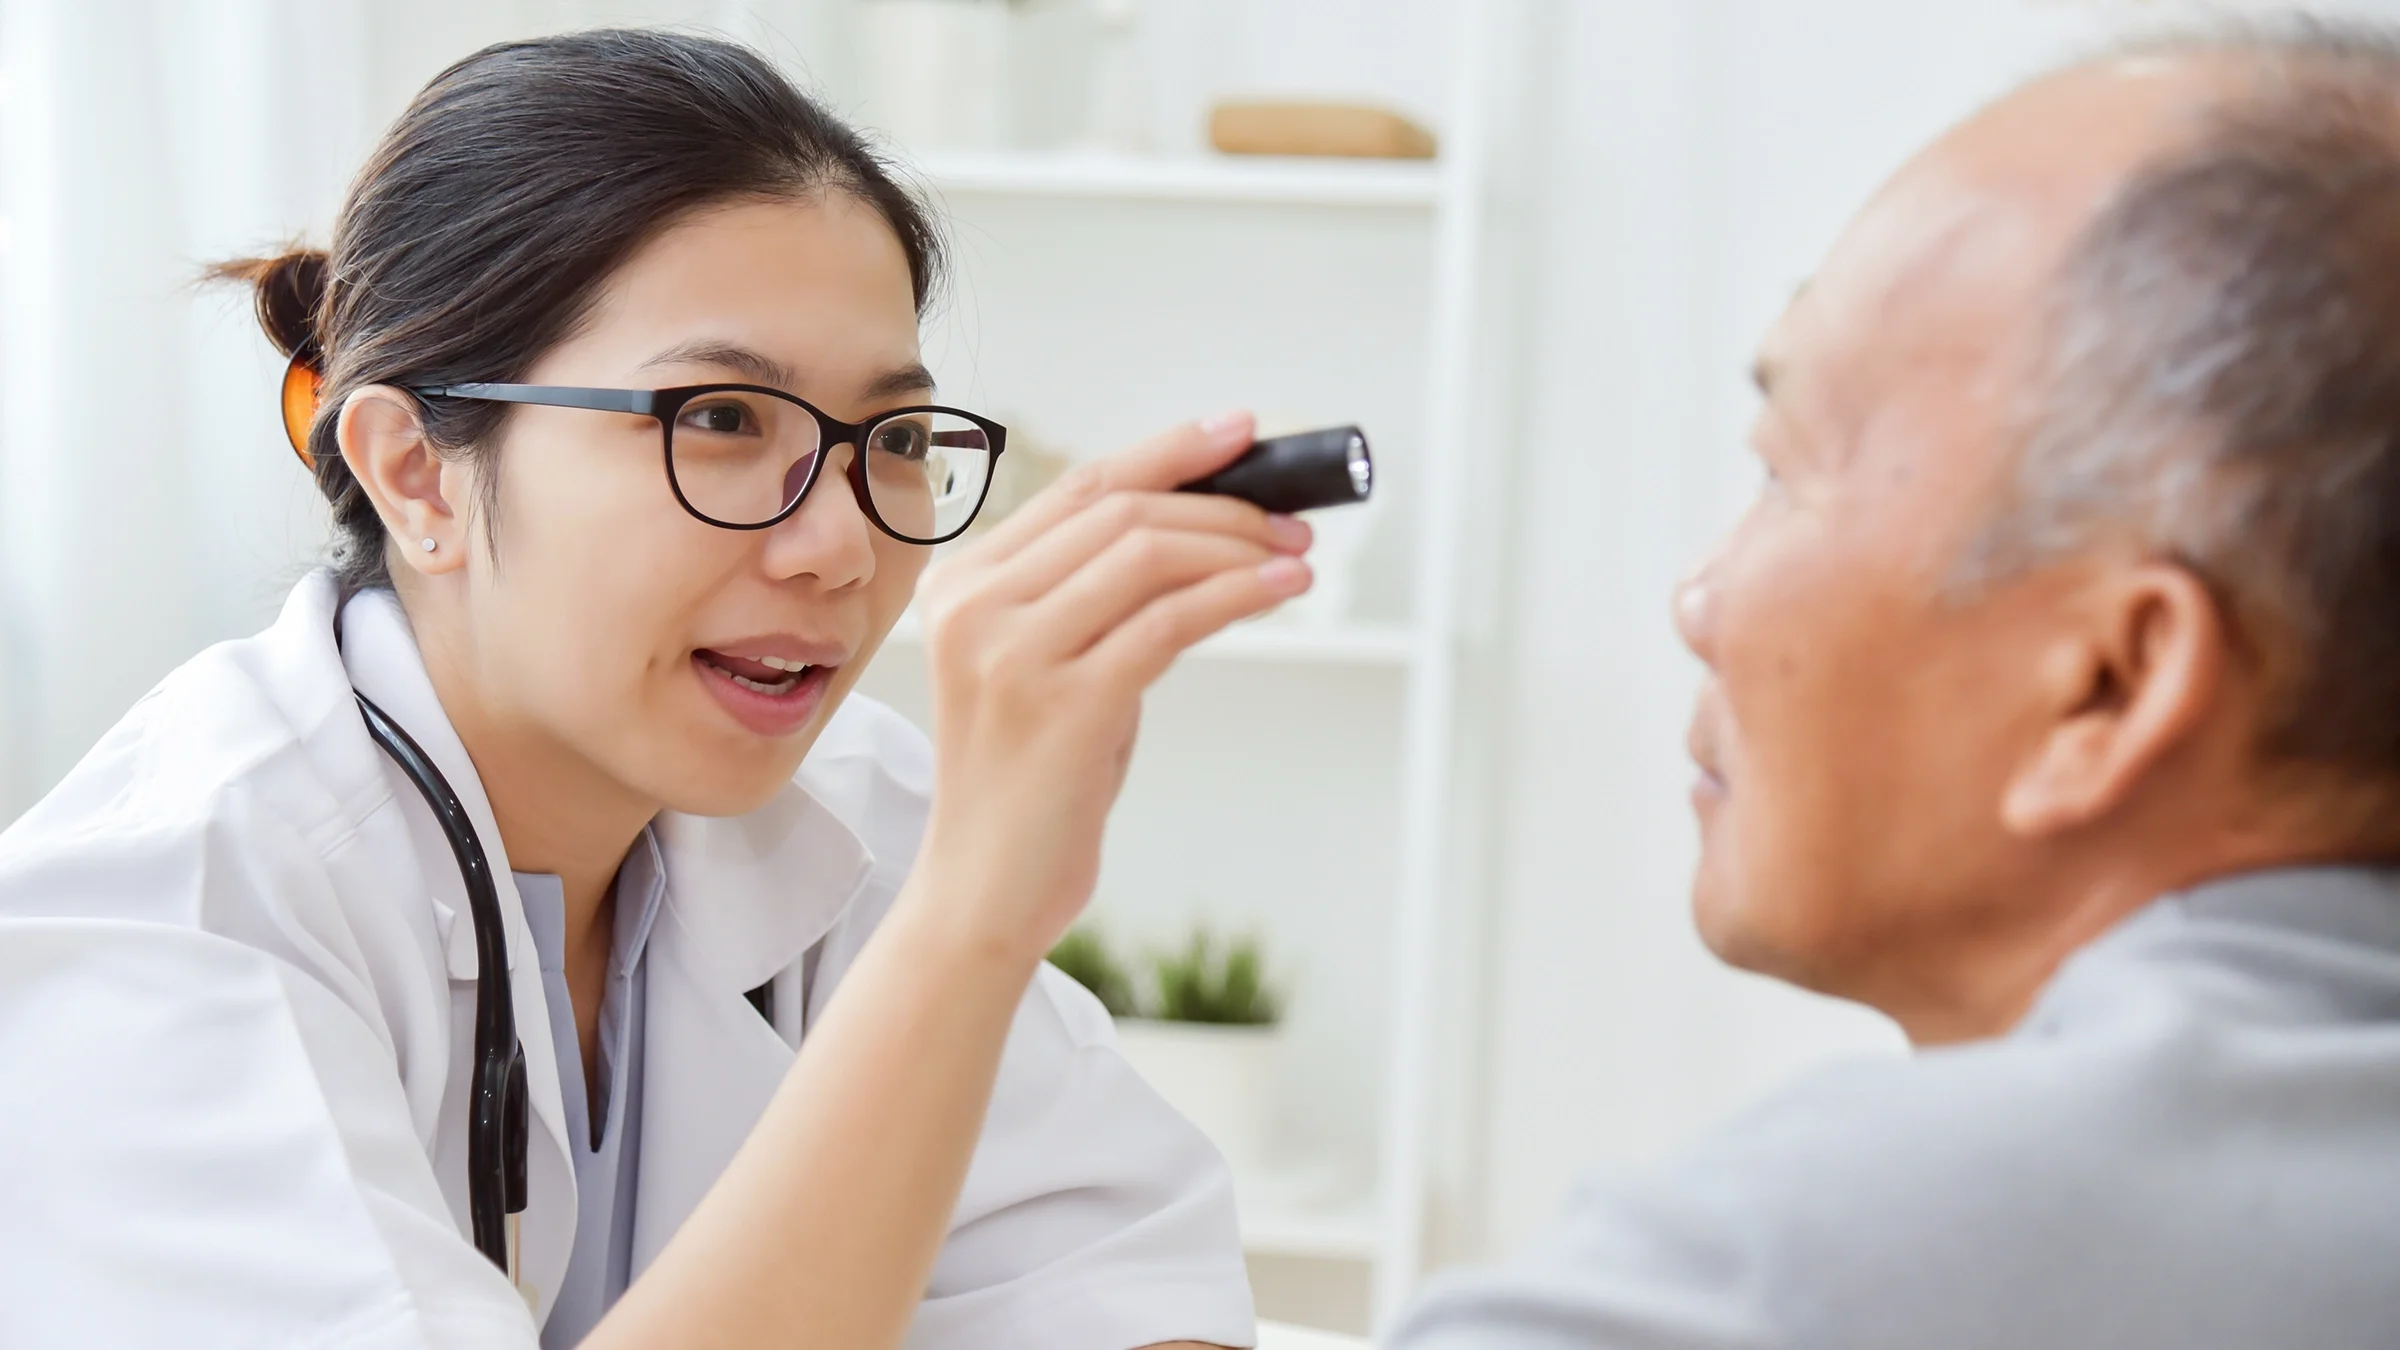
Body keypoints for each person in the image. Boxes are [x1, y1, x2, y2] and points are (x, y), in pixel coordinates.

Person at [0, 29, 1314, 1350]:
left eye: (894, 440)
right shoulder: (169, 916)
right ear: (415, 471)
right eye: (723, 418)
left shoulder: (866, 814)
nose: (845, 544)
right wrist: (970, 921)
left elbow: (1136, 1300)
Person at [1387, 16, 2400, 1350]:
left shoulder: (1821, 1268)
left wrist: (1001, 896)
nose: (1701, 601)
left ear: (2109, 682)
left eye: (1786, 468)